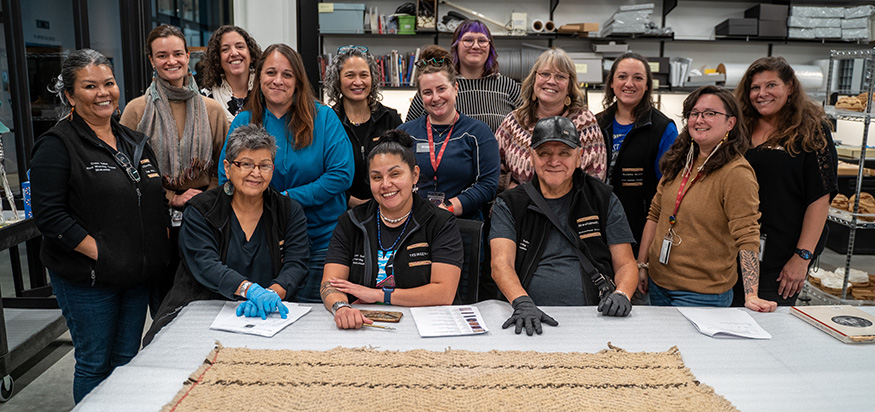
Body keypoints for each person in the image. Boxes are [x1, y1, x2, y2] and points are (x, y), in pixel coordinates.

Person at [30, 49, 170, 403]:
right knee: (94, 363)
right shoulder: (57, 145)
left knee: (126, 361)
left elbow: (152, 197)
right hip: (88, 279)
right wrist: (102, 254)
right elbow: (49, 217)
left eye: (108, 83)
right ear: (70, 96)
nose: (103, 92)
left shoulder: (133, 140)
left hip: (136, 277)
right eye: (90, 86)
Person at [143, 124, 310, 345]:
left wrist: (271, 295)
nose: (256, 173)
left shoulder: (288, 210)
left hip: (262, 318)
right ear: (228, 167)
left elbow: (296, 263)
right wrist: (249, 290)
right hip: (201, 310)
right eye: (246, 164)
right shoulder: (201, 210)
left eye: (264, 165)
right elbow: (206, 264)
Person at [218, 43, 354, 303]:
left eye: (287, 74)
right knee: (266, 321)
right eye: (270, 73)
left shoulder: (323, 118)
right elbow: (227, 178)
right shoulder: (244, 121)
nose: (278, 80)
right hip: (262, 244)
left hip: (321, 240)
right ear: (259, 78)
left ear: (298, 80)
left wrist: (287, 198)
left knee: (315, 324)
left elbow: (341, 174)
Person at [490, 116, 639, 336]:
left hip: (596, 316)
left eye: (564, 153)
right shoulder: (510, 204)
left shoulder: (602, 198)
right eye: (544, 153)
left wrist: (622, 294)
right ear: (531, 157)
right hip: (527, 318)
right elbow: (501, 264)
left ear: (579, 157)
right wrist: (522, 302)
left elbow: (626, 263)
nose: (554, 161)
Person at [120, 24, 230, 316]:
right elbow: (127, 169)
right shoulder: (136, 110)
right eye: (162, 55)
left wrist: (205, 197)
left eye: (178, 53)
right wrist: (171, 196)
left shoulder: (212, 110)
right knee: (164, 301)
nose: (172, 61)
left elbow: (225, 165)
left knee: (205, 298)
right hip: (155, 220)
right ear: (151, 60)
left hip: (206, 216)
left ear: (187, 55)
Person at [636, 86, 776, 312]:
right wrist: (642, 265)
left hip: (702, 294)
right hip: (658, 283)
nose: (700, 119)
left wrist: (751, 294)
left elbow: (748, 235)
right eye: (694, 113)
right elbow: (655, 214)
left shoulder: (736, 173)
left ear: (730, 123)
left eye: (710, 113)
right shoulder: (679, 160)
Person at [320, 130, 463, 329]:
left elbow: (444, 293)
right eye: (376, 177)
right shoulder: (351, 221)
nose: (386, 184)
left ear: (414, 175)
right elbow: (330, 283)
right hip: (365, 325)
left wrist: (378, 295)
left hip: (426, 326)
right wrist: (341, 307)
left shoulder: (440, 222)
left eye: (395, 174)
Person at [733, 56, 838, 306]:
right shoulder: (738, 129)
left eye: (771, 85)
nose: (762, 94)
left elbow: (819, 199)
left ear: (790, 87)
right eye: (755, 88)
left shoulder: (812, 131)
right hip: (733, 252)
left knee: (767, 327)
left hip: (781, 258)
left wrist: (801, 258)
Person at [397, 45, 499, 221]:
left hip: (463, 225)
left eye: (441, 89)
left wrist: (447, 209)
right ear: (421, 97)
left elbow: (487, 185)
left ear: (456, 88)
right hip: (414, 224)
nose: (435, 98)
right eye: (427, 92)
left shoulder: (478, 133)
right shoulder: (405, 133)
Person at [596, 53, 678, 255]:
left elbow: (667, 192)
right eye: (622, 76)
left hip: (639, 231)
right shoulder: (596, 123)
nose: (629, 84)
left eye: (638, 78)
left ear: (648, 85)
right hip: (597, 228)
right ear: (612, 83)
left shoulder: (663, 129)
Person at [496, 48, 606, 190]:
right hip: (519, 208)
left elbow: (596, 176)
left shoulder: (584, 122)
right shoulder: (514, 121)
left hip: (571, 209)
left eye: (560, 77)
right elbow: (491, 167)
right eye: (545, 74)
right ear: (534, 79)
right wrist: (511, 190)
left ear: (569, 86)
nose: (551, 81)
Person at [405, 19, 520, 132]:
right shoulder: (437, 87)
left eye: (482, 41)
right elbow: (407, 133)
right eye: (468, 40)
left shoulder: (508, 87)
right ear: (456, 46)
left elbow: (529, 131)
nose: (475, 46)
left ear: (490, 47)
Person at [323, 45, 403, 207]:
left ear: (372, 78)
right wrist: (353, 202)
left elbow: (403, 166)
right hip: (341, 211)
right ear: (337, 80)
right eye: (350, 75)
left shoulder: (390, 118)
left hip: (387, 207)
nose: (358, 82)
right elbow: (322, 171)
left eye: (364, 75)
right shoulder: (327, 121)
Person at [199, 25, 262, 122]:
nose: (234, 53)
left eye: (240, 47)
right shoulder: (205, 99)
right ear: (217, 59)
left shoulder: (266, 91)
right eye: (225, 49)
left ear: (251, 54)